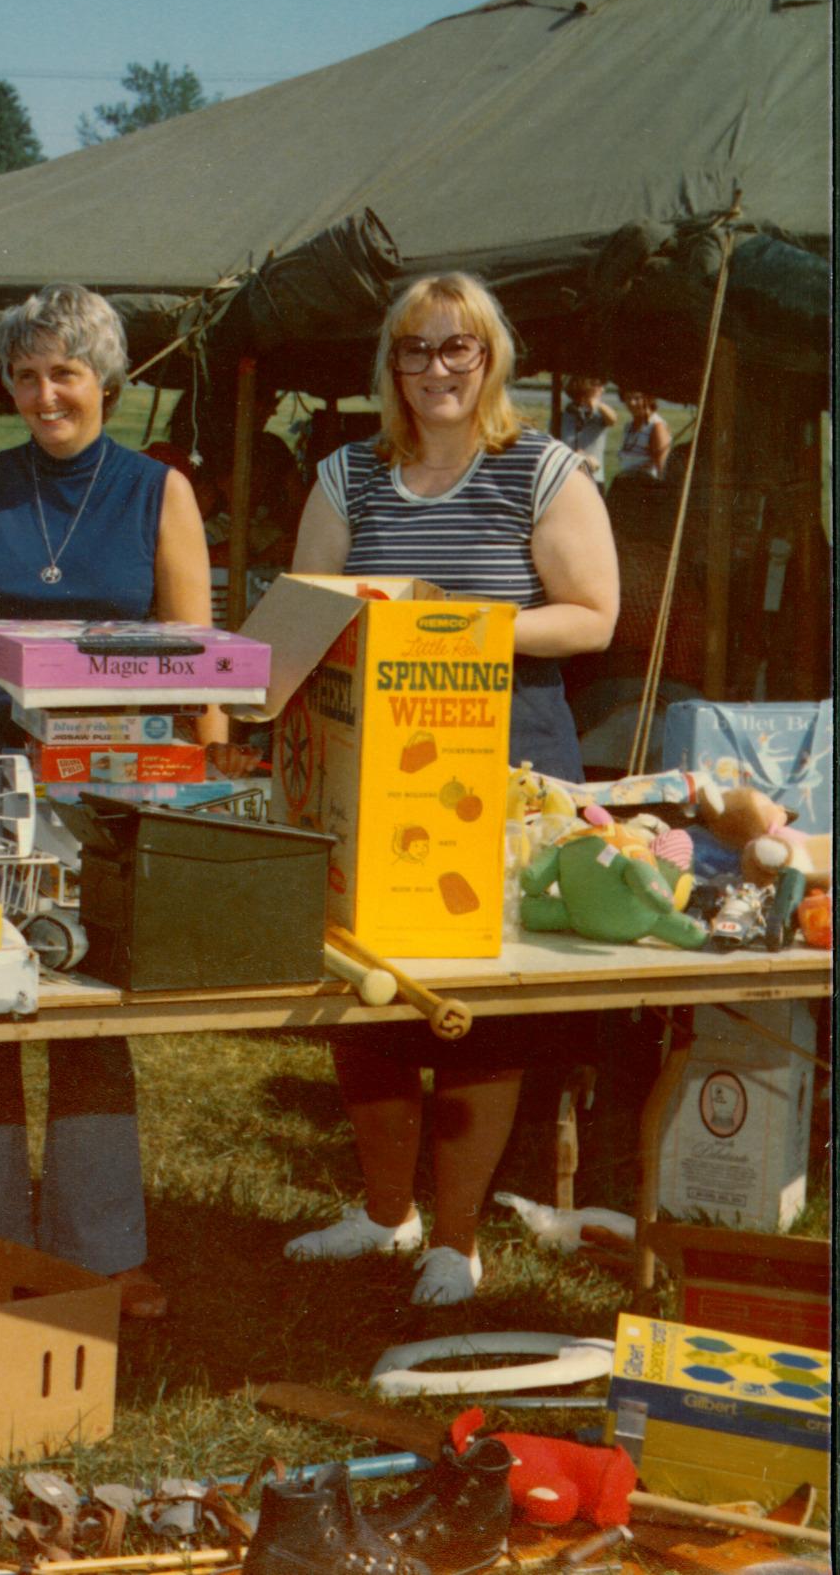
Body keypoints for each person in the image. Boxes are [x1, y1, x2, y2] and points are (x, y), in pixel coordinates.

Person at [0, 283, 233, 1320]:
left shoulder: (156, 491)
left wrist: (202, 781)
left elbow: (197, 653)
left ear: (108, 385)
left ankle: (104, 1248)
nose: (44, 393)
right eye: (25, 374)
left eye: (64, 372)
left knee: (88, 1004)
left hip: (101, 775)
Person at [287, 272, 619, 1305]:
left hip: (506, 750)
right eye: (414, 350)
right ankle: (387, 1212)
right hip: (377, 758)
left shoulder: (541, 468)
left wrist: (454, 626)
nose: (435, 369)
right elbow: (306, 612)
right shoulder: (348, 472)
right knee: (371, 978)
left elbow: (592, 613)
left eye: (456, 349)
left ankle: (459, 1234)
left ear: (489, 360)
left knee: (482, 995)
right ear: (389, 365)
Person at [557, 375, 622, 487]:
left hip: (594, 477)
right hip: (567, 476)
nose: (603, 389)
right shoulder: (564, 415)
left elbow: (613, 419)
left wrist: (598, 405)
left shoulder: (599, 414)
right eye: (597, 385)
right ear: (584, 387)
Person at [615, 388, 672, 480]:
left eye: (637, 398)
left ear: (649, 399)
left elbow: (662, 470)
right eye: (628, 398)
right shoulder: (628, 427)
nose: (632, 403)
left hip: (646, 489)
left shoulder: (656, 427)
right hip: (627, 486)